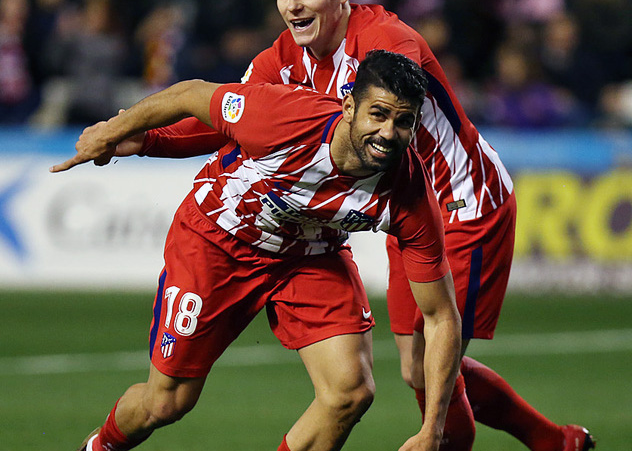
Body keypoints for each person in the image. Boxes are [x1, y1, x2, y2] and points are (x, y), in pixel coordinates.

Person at [134, 0, 595, 451]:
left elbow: (384, 98)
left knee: (428, 367)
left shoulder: (384, 45)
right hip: (405, 203)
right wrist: (143, 138)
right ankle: (554, 442)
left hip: (462, 202)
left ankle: (509, 441)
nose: (293, 6)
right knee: (415, 365)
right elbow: (228, 122)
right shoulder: (289, 56)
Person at [51, 50, 463, 451]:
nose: (389, 133)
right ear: (349, 106)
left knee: (349, 392)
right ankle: (100, 446)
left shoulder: (410, 195)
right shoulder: (283, 117)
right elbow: (188, 94)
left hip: (309, 253)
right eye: (378, 114)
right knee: (165, 403)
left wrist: (432, 429)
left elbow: (441, 316)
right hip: (218, 241)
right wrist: (112, 133)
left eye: (403, 121)